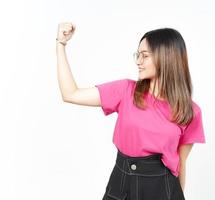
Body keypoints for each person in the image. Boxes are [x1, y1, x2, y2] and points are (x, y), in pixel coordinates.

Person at [56, 22, 206, 200]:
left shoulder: (190, 111)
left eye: (144, 56)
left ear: (165, 57)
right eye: (137, 55)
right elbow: (71, 94)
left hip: (162, 188)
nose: (138, 61)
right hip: (121, 184)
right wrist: (60, 44)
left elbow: (180, 163)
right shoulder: (125, 91)